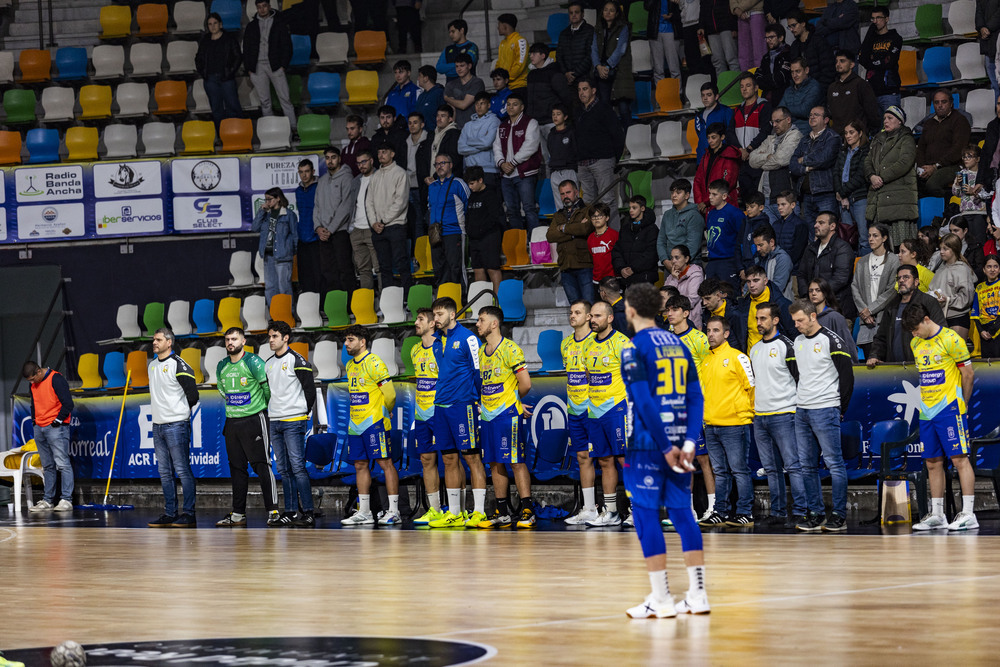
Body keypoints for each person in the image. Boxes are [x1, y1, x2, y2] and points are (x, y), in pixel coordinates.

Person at [620, 283, 709, 619]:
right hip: (680, 440)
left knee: (645, 515)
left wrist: (665, 446)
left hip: (649, 444)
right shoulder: (679, 343)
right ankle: (698, 595)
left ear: (630, 310)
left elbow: (642, 401)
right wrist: (686, 443)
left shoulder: (633, 348)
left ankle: (661, 598)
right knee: (682, 513)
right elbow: (696, 397)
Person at [904, 303, 979, 531]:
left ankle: (968, 513)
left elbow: (967, 374)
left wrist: (962, 405)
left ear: (927, 319)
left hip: (950, 407)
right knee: (932, 462)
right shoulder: (915, 343)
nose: (914, 334)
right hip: (927, 410)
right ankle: (937, 515)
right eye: (911, 332)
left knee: (959, 459)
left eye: (916, 328)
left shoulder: (951, 339)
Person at [788, 300, 854, 532]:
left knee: (834, 464)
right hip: (802, 409)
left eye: (801, 320)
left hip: (826, 408)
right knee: (806, 466)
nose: (796, 325)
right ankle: (815, 513)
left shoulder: (831, 339)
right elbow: (799, 375)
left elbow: (847, 378)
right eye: (794, 321)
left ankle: (838, 515)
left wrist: (840, 408)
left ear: (813, 316)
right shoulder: (797, 341)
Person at [428, 297, 490, 528]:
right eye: (435, 315)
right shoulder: (437, 341)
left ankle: (480, 512)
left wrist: (478, 399)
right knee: (449, 458)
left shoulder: (469, 338)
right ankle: (455, 513)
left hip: (463, 405)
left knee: (472, 457)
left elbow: (478, 372)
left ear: (453, 315)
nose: (436, 319)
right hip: (441, 405)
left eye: (441, 314)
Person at [473, 306, 537, 529]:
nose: (477, 324)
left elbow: (526, 383)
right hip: (488, 416)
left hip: (507, 415)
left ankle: (527, 509)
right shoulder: (481, 352)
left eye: (481, 320)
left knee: (516, 461)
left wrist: (512, 401)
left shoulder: (510, 349)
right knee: (494, 463)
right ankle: (502, 511)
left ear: (494, 324)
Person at [749, 302, 806, 528]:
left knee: (793, 465)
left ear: (775, 320)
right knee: (771, 468)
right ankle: (779, 511)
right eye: (757, 319)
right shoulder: (753, 349)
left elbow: (800, 379)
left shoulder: (786, 345)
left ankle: (801, 510)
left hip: (785, 413)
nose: (759, 323)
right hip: (760, 415)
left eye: (763, 318)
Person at [215, 327, 279, 527]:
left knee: (262, 465)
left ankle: (273, 511)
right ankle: (238, 514)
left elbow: (267, 390)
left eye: (234, 339)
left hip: (254, 420)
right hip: (232, 422)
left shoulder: (253, 362)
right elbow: (223, 391)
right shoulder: (222, 365)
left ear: (243, 341)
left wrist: (257, 408)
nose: (230, 343)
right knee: (236, 469)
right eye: (227, 339)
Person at [341, 325, 401, 525]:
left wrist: (386, 410)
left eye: (350, 340)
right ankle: (365, 512)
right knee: (360, 465)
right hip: (355, 423)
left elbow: (390, 394)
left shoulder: (374, 362)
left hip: (374, 422)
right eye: (346, 340)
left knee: (386, 463)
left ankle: (393, 511)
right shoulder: (350, 365)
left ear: (362, 341)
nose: (346, 344)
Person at [699, 315, 755, 527]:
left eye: (715, 331)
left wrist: (744, 414)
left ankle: (745, 512)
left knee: (739, 470)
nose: (711, 334)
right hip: (711, 425)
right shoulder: (706, 359)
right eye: (709, 330)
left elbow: (752, 388)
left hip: (734, 425)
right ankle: (720, 512)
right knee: (720, 472)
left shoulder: (738, 357)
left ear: (726, 334)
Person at [663, 295, 715, 521]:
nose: (670, 313)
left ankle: (713, 508)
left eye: (674, 309)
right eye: (668, 310)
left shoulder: (699, 339)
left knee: (703, 459)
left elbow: (709, 370)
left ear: (686, 313)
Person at [584, 300, 633, 527]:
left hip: (617, 408)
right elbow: (587, 376)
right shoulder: (587, 344)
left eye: (597, 316)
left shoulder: (622, 342)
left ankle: (638, 510)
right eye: (591, 316)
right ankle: (611, 512)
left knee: (625, 459)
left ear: (610, 318)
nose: (592, 320)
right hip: (595, 411)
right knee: (604, 461)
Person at [263, 320, 316, 527]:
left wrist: (301, 412)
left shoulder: (297, 360)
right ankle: (291, 511)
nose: (271, 340)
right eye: (269, 337)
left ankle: (309, 512)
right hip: (274, 420)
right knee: (284, 469)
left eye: (274, 336)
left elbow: (309, 390)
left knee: (297, 467)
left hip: (294, 420)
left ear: (286, 338)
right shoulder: (268, 363)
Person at [146, 329, 199, 528]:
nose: (154, 343)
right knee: (165, 472)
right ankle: (170, 513)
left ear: (169, 342)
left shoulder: (179, 364)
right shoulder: (152, 365)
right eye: (153, 340)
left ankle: (189, 513)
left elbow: (193, 395)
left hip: (176, 424)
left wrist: (178, 412)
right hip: (157, 425)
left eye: (158, 340)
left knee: (182, 470)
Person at [561, 300, 600, 525]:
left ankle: (615, 507)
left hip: (594, 409)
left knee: (607, 459)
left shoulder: (596, 341)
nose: (572, 315)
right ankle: (589, 509)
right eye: (571, 312)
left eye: (577, 312)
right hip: (573, 409)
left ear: (588, 317)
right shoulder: (565, 344)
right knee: (582, 456)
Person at [408, 308, 444, 525]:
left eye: (420, 319)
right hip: (421, 414)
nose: (415, 322)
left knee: (451, 459)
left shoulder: (442, 348)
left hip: (441, 411)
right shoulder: (414, 350)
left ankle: (458, 509)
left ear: (432, 324)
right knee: (426, 460)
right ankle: (435, 510)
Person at [868, 265, 946, 366]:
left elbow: (941, 332)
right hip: (895, 369)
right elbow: (881, 336)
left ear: (916, 281)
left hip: (922, 367)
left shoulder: (928, 302)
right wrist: (875, 355)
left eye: (906, 277)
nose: (901, 280)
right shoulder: (891, 306)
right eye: (899, 278)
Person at [23, 361, 74, 513]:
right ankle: (48, 500)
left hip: (55, 428)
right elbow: (34, 403)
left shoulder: (55, 379)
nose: (32, 383)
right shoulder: (33, 384)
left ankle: (66, 499)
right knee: (47, 466)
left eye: (33, 379)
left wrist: (57, 421)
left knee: (62, 463)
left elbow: (68, 404)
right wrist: (34, 422)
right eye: (30, 381)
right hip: (40, 427)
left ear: (38, 372)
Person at [575, 77, 625, 229]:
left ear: (594, 90)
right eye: (579, 90)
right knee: (589, 203)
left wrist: (613, 158)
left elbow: (618, 135)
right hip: (583, 163)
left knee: (607, 201)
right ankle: (594, 238)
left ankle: (614, 238)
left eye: (585, 89)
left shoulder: (604, 109)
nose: (581, 93)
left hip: (602, 161)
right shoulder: (578, 112)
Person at [866, 106, 918, 246]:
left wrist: (880, 177)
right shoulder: (877, 139)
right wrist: (871, 176)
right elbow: (867, 161)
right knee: (882, 246)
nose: (886, 121)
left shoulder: (906, 139)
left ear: (900, 121)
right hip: (880, 198)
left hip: (899, 199)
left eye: (890, 118)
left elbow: (904, 163)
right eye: (884, 118)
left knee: (901, 245)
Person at [243, 0, 296, 132]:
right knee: (265, 102)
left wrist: (283, 65)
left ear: (269, 7)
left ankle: (293, 129)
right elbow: (246, 48)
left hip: (276, 66)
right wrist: (249, 68)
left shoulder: (279, 23)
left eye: (264, 6)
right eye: (259, 7)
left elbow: (287, 46)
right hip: (257, 67)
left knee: (285, 99)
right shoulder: (251, 26)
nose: (261, 9)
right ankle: (271, 132)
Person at [493, 91, 542, 231]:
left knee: (529, 208)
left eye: (515, 105)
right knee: (512, 211)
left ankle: (534, 243)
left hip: (524, 173)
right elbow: (496, 146)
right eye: (508, 104)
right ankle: (519, 244)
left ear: (522, 107)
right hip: (506, 175)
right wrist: (502, 163)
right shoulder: (502, 125)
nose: (510, 107)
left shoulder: (530, 122)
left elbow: (530, 146)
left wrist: (512, 163)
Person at [367, 145, 411, 291]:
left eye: (384, 151)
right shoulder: (375, 176)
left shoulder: (400, 173)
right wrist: (374, 222)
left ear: (392, 154)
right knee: (383, 266)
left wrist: (382, 221)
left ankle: (407, 298)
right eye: (379, 151)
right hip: (378, 228)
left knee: (401, 263)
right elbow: (369, 202)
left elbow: (401, 202)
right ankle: (388, 299)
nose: (381, 154)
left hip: (395, 226)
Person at [851, 223, 900, 356]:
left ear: (884, 238)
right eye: (869, 236)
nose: (871, 239)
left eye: (875, 236)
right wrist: (864, 311)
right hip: (866, 321)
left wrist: (870, 310)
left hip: (884, 318)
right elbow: (855, 287)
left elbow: (892, 290)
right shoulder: (862, 261)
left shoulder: (894, 260)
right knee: (869, 359)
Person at [314, 146, 357, 294]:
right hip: (324, 234)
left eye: (333, 157)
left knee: (344, 269)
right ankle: (335, 307)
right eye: (327, 158)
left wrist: (330, 229)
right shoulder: (322, 180)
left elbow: (345, 207)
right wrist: (318, 228)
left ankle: (349, 306)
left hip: (340, 232)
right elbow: (317, 206)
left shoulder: (347, 177)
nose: (330, 161)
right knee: (328, 271)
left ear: (339, 158)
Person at [797, 210, 856, 317]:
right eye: (816, 222)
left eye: (821, 223)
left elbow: (841, 278)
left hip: (836, 307)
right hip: (813, 308)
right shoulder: (811, 248)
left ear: (832, 226)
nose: (815, 225)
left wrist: (818, 293)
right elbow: (801, 274)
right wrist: (808, 295)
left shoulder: (843, 248)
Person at [749, 106, 802, 224]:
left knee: (788, 236)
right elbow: (752, 160)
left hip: (786, 199)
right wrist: (767, 157)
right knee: (770, 238)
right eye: (772, 122)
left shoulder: (795, 136)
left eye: (778, 121)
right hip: (766, 198)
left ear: (788, 120)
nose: (774, 125)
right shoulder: (770, 138)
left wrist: (762, 162)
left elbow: (781, 160)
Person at [789, 106, 840, 226]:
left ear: (826, 120)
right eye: (810, 114)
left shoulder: (833, 137)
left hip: (825, 193)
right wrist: (806, 168)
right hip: (806, 195)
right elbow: (792, 163)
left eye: (816, 114)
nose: (812, 117)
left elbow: (823, 159)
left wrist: (803, 159)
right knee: (811, 234)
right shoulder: (804, 139)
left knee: (828, 230)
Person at [916, 90, 972, 198]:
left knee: (932, 184)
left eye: (944, 102)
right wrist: (922, 168)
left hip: (953, 165)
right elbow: (921, 148)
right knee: (912, 183)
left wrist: (936, 166)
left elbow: (958, 149)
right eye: (936, 102)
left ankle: (950, 203)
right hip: (930, 166)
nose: (940, 105)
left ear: (951, 103)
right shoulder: (929, 123)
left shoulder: (960, 121)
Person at [426, 152, 470, 286]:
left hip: (454, 231)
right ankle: (444, 300)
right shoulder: (432, 187)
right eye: (436, 164)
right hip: (436, 234)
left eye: (442, 163)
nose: (439, 166)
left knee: (456, 268)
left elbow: (468, 204)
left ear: (451, 165)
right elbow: (430, 208)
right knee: (439, 269)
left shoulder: (459, 183)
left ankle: (462, 299)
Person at [548, 180, 595, 303]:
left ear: (576, 192)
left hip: (584, 265)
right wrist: (574, 232)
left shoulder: (588, 209)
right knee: (575, 308)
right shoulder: (558, 215)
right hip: (565, 267)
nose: (565, 196)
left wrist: (563, 228)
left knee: (589, 307)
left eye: (568, 192)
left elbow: (585, 228)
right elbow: (550, 236)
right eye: (562, 194)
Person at [251, 187, 298, 307]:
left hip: (283, 256)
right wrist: (261, 211)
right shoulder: (265, 215)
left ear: (278, 198)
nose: (267, 202)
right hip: (268, 255)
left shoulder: (288, 214)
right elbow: (254, 227)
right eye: (265, 199)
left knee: (284, 287)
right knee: (271, 287)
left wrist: (290, 251)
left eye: (269, 199)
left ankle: (288, 314)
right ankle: (274, 315)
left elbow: (295, 235)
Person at [195, 12, 242, 127]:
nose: (213, 26)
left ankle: (237, 134)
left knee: (233, 107)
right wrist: (204, 74)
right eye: (210, 24)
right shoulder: (205, 40)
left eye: (215, 23)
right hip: (210, 80)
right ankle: (222, 137)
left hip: (226, 78)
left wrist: (230, 73)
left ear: (220, 24)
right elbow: (198, 58)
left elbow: (238, 57)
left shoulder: (229, 39)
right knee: (217, 110)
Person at [591, 0, 633, 126]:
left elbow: (621, 49)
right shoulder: (598, 28)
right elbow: (593, 49)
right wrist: (598, 66)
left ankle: (629, 139)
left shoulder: (623, 27)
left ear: (616, 13)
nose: (608, 13)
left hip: (619, 71)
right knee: (605, 107)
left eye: (611, 10)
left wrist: (607, 66)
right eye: (605, 10)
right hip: (602, 72)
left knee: (623, 107)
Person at [929, 233, 978, 343]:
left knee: (957, 356)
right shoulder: (940, 269)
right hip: (940, 318)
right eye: (940, 248)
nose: (941, 251)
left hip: (957, 318)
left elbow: (966, 297)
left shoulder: (962, 270)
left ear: (954, 249)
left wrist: (948, 300)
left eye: (945, 249)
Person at [464, 166, 504, 291]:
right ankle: (482, 303)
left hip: (490, 237)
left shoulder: (491, 195)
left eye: (472, 183)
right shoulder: (471, 196)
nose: (470, 187)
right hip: (475, 239)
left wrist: (481, 230)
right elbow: (469, 216)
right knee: (478, 269)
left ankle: (498, 302)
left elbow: (495, 218)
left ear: (480, 180)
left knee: (492, 268)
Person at [737, 265, 795, 348]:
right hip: (751, 356)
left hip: (775, 355)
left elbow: (792, 333)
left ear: (765, 281)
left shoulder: (781, 304)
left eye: (756, 280)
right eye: (748, 281)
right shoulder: (744, 304)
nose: (752, 285)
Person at [835, 120, 871, 253]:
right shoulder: (843, 151)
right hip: (843, 199)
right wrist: (841, 193)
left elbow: (860, 176)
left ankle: (864, 270)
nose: (848, 136)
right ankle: (848, 270)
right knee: (846, 238)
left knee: (864, 237)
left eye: (851, 132)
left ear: (860, 133)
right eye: (845, 133)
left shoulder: (866, 151)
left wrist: (842, 192)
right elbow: (836, 173)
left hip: (859, 197)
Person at [827, 51, 881, 136]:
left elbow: (871, 112)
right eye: (836, 61)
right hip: (837, 136)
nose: (838, 64)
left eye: (842, 61)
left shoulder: (861, 84)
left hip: (857, 136)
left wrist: (867, 131)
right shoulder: (832, 87)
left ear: (852, 65)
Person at [859, 6, 903, 111]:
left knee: (892, 125)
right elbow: (862, 59)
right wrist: (870, 32)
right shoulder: (871, 38)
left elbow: (889, 62)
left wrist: (872, 63)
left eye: (878, 18)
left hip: (890, 90)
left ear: (886, 19)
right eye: (873, 18)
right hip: (872, 91)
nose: (875, 21)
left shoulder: (895, 38)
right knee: (875, 126)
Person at [703, 180, 744, 290]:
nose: (710, 197)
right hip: (712, 260)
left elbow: (742, 239)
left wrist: (740, 265)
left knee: (729, 293)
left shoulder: (735, 213)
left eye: (714, 194)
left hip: (728, 260)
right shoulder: (711, 213)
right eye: (709, 193)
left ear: (724, 196)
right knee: (710, 293)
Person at [808, 277, 859, 362]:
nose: (813, 293)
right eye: (811, 290)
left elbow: (847, 344)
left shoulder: (835, 317)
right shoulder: (808, 318)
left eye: (818, 290)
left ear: (825, 293)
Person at [613, 195, 659, 286]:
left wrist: (633, 269)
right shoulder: (625, 228)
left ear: (642, 208)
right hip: (627, 279)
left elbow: (651, 254)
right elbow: (617, 250)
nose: (631, 210)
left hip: (645, 278)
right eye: (630, 207)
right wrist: (621, 268)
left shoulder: (652, 229)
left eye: (634, 208)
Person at [349, 150, 379, 290]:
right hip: (357, 229)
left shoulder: (379, 177)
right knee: (363, 270)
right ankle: (367, 305)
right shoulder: (356, 181)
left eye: (364, 161)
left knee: (379, 268)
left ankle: (384, 306)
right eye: (359, 163)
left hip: (373, 228)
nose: (361, 165)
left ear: (372, 161)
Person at [657, 179, 704, 268]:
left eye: (678, 193)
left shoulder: (694, 215)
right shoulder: (667, 215)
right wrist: (665, 261)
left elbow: (693, 246)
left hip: (690, 265)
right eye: (672, 193)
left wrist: (678, 264)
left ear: (687, 195)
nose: (674, 195)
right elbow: (661, 241)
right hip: (670, 265)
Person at [694, 124, 741, 212]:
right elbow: (698, 180)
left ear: (722, 137)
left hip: (724, 205)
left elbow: (727, 185)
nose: (710, 141)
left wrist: (706, 202)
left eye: (713, 137)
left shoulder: (730, 156)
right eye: (708, 138)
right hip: (706, 206)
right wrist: (700, 202)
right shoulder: (706, 156)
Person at [527, 43, 571, 132]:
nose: (531, 56)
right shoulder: (531, 74)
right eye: (530, 54)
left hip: (551, 121)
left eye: (534, 54)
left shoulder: (554, 73)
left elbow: (565, 97)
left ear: (543, 55)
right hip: (535, 122)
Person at [293, 159, 322, 294]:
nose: (304, 175)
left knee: (319, 274)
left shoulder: (319, 187)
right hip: (302, 238)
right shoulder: (298, 191)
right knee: (304, 275)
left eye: (307, 171)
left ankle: (321, 307)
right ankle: (308, 307)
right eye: (301, 172)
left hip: (317, 237)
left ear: (313, 172)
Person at [953, 146, 990, 247]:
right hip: (965, 212)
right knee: (968, 242)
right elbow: (956, 193)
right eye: (964, 157)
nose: (966, 159)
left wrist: (973, 192)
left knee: (979, 241)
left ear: (978, 159)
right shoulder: (962, 173)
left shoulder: (983, 174)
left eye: (969, 156)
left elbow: (988, 194)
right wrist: (956, 183)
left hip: (980, 212)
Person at [787, 10, 834, 87]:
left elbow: (828, 71)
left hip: (819, 89)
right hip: (801, 90)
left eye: (794, 25)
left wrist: (818, 89)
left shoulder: (819, 41)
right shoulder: (794, 46)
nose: (791, 29)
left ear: (803, 24)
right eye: (789, 27)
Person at [779, 58, 824, 136]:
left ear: (806, 70)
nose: (794, 75)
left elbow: (804, 110)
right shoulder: (788, 90)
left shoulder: (814, 87)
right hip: (788, 131)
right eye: (792, 72)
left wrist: (786, 110)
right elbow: (779, 110)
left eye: (798, 71)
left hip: (806, 132)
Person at [699, 277, 745, 351]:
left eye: (708, 298)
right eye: (702, 299)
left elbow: (742, 341)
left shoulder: (734, 314)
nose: (704, 303)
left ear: (718, 296)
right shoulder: (706, 314)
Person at [664, 246, 705, 328]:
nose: (673, 261)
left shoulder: (696, 274)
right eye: (671, 258)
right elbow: (665, 298)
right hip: (673, 321)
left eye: (677, 257)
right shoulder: (672, 276)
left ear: (686, 259)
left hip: (691, 321)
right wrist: (674, 280)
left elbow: (691, 301)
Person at [558, 2, 597, 87]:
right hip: (567, 78)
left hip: (585, 77)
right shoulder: (563, 33)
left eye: (577, 12)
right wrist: (566, 73)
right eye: (571, 13)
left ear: (583, 14)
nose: (574, 15)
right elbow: (559, 56)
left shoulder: (590, 31)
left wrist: (574, 74)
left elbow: (590, 56)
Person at [694, 83, 735, 164]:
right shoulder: (699, 115)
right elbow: (700, 135)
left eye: (709, 95)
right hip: (702, 158)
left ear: (716, 96)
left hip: (720, 158)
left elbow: (730, 135)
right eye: (703, 95)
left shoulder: (726, 111)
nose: (705, 98)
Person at [406, 112, 431, 241]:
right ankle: (418, 255)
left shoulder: (429, 139)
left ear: (422, 124)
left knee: (427, 219)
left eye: (415, 122)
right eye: (410, 123)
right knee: (415, 221)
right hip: (409, 187)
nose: (412, 125)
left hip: (425, 185)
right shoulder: (405, 142)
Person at [443, 53, 485, 128]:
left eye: (462, 66)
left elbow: (464, 105)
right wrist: (452, 128)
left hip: (475, 127)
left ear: (469, 66)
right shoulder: (450, 85)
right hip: (458, 128)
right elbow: (452, 109)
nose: (459, 69)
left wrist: (447, 98)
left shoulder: (477, 82)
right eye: (457, 66)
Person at [547, 104, 578, 204]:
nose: (555, 117)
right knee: (559, 204)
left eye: (558, 114)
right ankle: (562, 220)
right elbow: (550, 151)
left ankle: (575, 219)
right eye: (553, 114)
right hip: (555, 171)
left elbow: (575, 150)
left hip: (569, 170)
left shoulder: (572, 132)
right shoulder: (551, 134)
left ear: (565, 117)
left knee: (573, 201)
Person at [751, 224, 793, 298]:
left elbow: (777, 288)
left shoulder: (782, 258)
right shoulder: (760, 257)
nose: (758, 249)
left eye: (760, 245)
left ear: (772, 242)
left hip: (779, 305)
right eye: (756, 246)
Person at [756, 23, 792, 106]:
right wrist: (772, 80)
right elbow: (758, 79)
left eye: (771, 37)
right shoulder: (766, 57)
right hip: (766, 100)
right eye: (766, 38)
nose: (768, 40)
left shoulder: (788, 54)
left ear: (781, 38)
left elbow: (780, 78)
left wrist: (766, 80)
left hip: (784, 99)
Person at [646, 0, 682, 82]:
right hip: (655, 30)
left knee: (674, 66)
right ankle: (660, 93)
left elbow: (683, 9)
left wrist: (673, 16)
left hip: (671, 30)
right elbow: (647, 6)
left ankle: (677, 93)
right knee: (658, 68)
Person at [773, 190, 809, 267]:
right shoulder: (775, 225)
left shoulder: (800, 225)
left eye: (783, 204)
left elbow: (798, 251)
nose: (779, 208)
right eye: (778, 205)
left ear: (793, 205)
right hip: (777, 266)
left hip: (794, 268)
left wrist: (786, 264)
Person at [703, 0, 739, 76]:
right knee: (717, 61)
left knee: (731, 58)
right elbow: (703, 8)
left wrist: (734, 27)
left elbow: (731, 6)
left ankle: (737, 85)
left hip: (726, 27)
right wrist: (701, 26)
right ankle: (722, 86)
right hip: (711, 30)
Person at [949, 213, 988, 284]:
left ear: (965, 231)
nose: (952, 234)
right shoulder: (948, 246)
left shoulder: (975, 246)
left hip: (970, 283)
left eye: (956, 230)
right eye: (950, 231)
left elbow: (980, 270)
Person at [973, 255, 1000, 358]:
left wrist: (992, 331)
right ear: (984, 270)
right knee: (987, 363)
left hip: (997, 328)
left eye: (996, 266)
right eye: (989, 267)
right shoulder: (979, 288)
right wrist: (981, 331)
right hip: (984, 332)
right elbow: (975, 313)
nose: (992, 270)